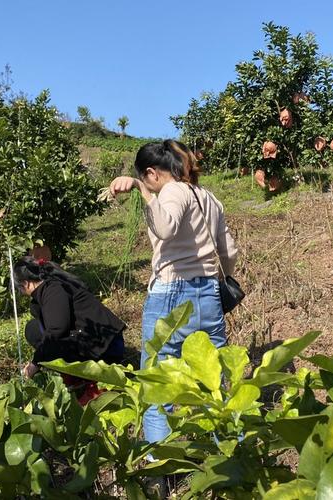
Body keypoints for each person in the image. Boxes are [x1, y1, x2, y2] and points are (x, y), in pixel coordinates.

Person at [109, 139, 238, 445]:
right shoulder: (210, 198)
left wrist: (143, 194)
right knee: (215, 386)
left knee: (157, 387)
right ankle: (234, 460)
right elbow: (229, 252)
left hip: (170, 294)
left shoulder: (171, 191)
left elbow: (165, 228)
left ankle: (160, 470)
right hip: (208, 295)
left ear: (152, 173)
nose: (148, 185)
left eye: (146, 179)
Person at [13, 256, 126, 396]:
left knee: (43, 335)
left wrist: (35, 363)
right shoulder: (54, 284)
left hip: (107, 347)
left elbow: (56, 330)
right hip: (101, 340)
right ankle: (77, 376)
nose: (23, 294)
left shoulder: (53, 290)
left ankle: (91, 380)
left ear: (27, 284)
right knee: (34, 329)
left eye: (21, 290)